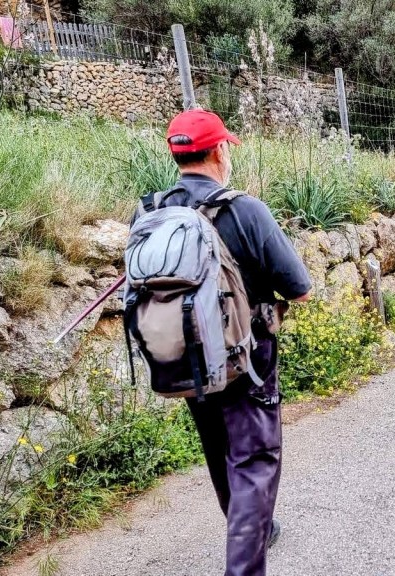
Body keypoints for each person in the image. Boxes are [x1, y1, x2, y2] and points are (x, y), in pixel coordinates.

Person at [138, 109, 312, 576]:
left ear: (177, 155)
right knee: (253, 460)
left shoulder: (150, 212)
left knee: (218, 448)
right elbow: (300, 288)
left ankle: (256, 529)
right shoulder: (245, 210)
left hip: (182, 358)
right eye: (226, 148)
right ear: (218, 151)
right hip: (246, 358)